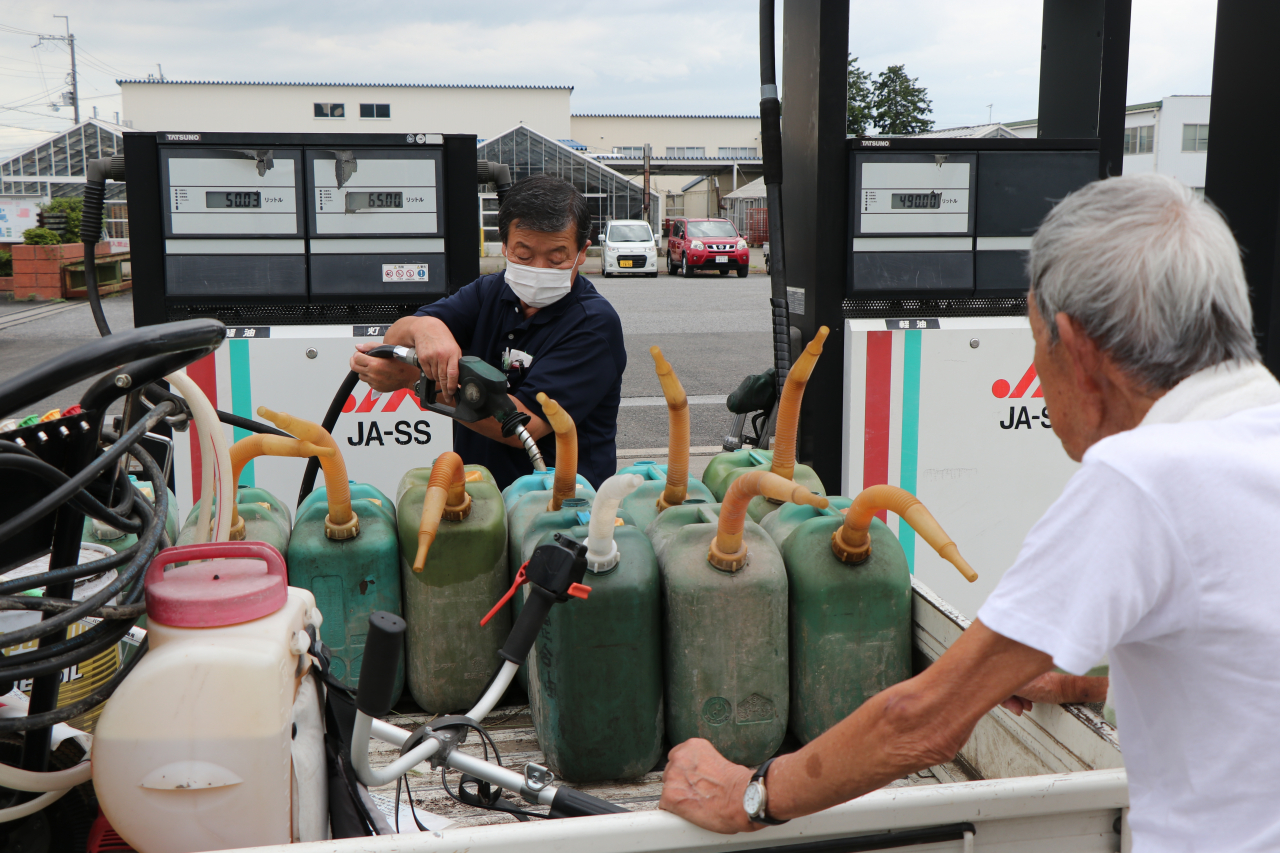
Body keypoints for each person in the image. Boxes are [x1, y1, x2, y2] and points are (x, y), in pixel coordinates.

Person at [659, 174, 1280, 852]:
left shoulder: (1145, 476)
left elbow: (920, 719)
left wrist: (747, 793)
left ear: (1072, 345)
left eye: (1033, 340)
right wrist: (1083, 681)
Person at [350, 175, 626, 490]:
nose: (538, 268)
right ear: (504, 245)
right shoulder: (490, 291)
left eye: (557, 258)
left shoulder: (593, 324)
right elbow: (398, 336)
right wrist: (425, 327)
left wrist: (411, 380)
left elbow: (522, 425)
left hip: (557, 504)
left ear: (582, 252)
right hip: (481, 495)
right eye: (524, 255)